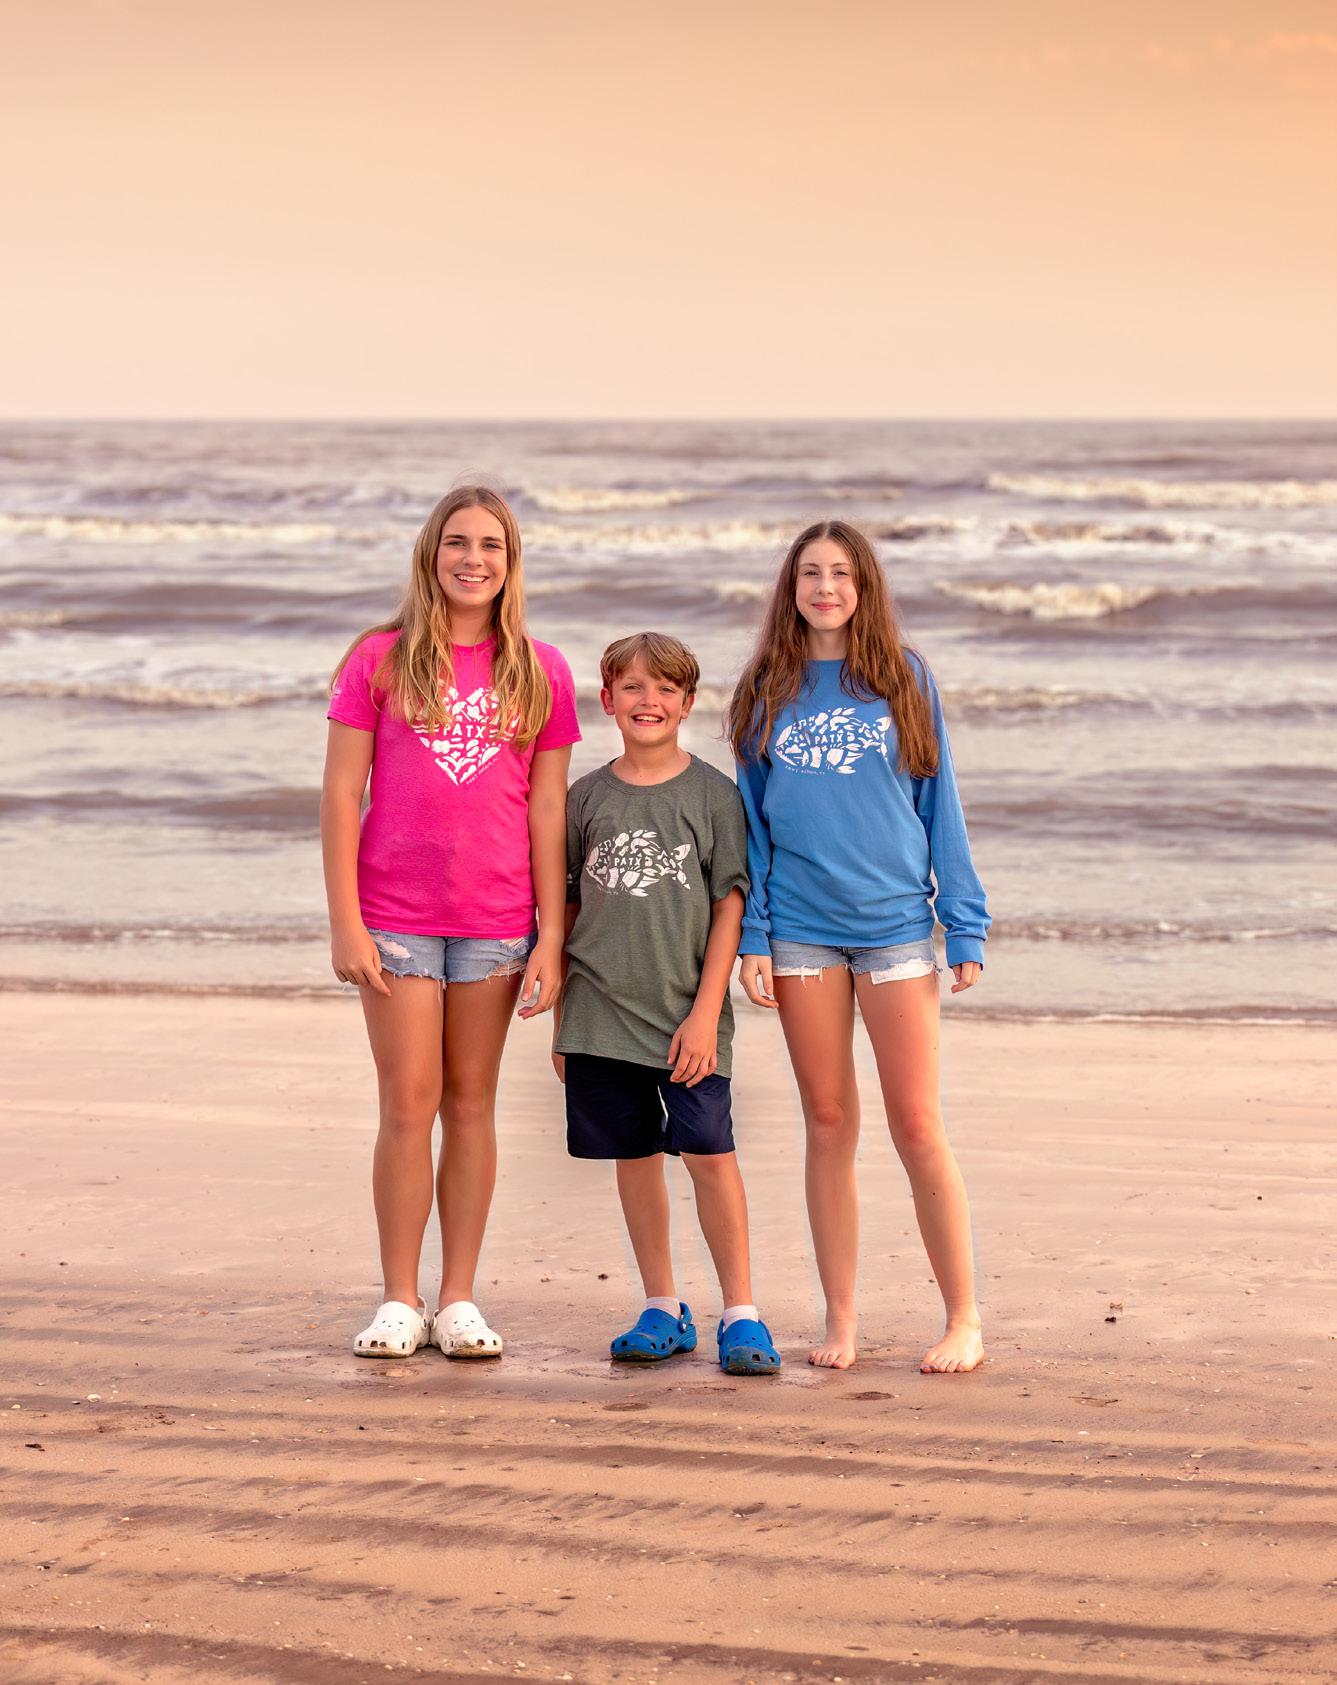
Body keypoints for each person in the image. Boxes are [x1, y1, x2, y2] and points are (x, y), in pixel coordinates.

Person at [321, 485, 579, 1360]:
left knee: (471, 1104)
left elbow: (548, 807)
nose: (474, 559)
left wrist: (550, 933)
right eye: (458, 542)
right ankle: (400, 1298)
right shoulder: (379, 659)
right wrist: (346, 921)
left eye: (492, 545)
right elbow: (341, 794)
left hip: (495, 921)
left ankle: (458, 1297)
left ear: (511, 562)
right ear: (431, 554)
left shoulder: (540, 669)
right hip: (394, 917)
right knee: (409, 1101)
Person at [727, 520, 990, 1374]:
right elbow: (752, 827)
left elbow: (937, 799)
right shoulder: (764, 688)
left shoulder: (902, 676)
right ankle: (840, 1319)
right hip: (801, 930)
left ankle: (963, 1317)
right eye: (810, 572)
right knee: (828, 1120)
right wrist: (755, 934)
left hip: (894, 927)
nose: (825, 587)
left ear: (862, 586)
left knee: (916, 1122)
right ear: (791, 588)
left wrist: (964, 919)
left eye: (840, 573)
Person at [553, 632, 781, 1375]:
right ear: (606, 699)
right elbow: (567, 906)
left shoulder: (712, 795)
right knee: (634, 1156)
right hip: (599, 1014)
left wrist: (706, 1012)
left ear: (687, 704)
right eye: (632, 686)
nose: (647, 700)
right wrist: (562, 1024)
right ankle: (661, 1304)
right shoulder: (585, 797)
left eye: (665, 689)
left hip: (689, 1017)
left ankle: (741, 1312)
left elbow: (730, 904)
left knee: (710, 1154)